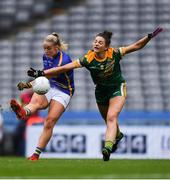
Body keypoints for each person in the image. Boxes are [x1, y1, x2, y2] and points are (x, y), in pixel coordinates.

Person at [27, 27, 163, 161]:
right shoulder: (88, 58)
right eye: (95, 41)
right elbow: (64, 68)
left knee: (111, 117)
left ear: (106, 46)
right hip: (101, 91)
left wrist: (149, 37)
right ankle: (118, 135)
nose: (96, 44)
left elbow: (136, 46)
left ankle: (108, 148)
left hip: (117, 88)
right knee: (108, 120)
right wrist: (41, 73)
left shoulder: (114, 53)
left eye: (100, 42)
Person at [10, 32, 75, 161]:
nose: (46, 51)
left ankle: (36, 154)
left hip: (64, 91)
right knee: (37, 104)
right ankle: (23, 111)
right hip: (50, 85)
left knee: (49, 122)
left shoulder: (64, 59)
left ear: (56, 48)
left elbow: (52, 73)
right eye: (44, 48)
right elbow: (44, 76)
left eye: (49, 48)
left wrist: (33, 80)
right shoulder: (46, 56)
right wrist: (28, 85)